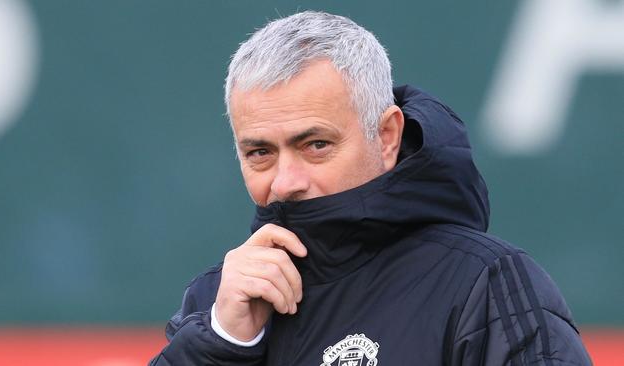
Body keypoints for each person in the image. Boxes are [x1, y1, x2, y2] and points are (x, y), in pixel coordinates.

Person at [150, 11, 591, 365]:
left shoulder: (483, 283)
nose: (286, 182)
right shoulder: (217, 301)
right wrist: (222, 342)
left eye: (316, 145)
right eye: (260, 153)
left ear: (386, 137)